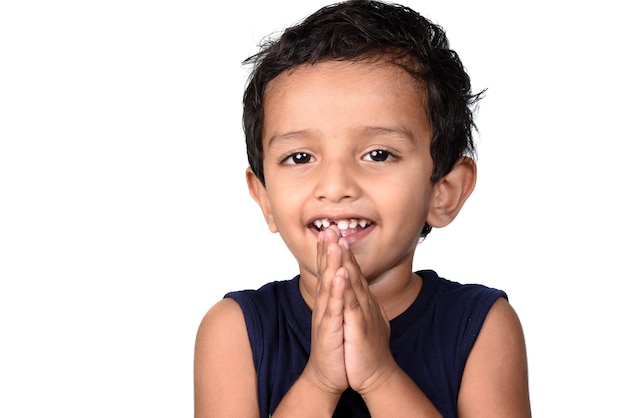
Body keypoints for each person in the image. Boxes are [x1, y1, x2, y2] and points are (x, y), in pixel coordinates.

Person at [194, 1, 531, 417]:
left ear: (444, 191)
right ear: (263, 195)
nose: (335, 186)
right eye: (300, 158)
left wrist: (379, 375)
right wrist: (320, 380)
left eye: (378, 154)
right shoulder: (234, 332)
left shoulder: (481, 327)